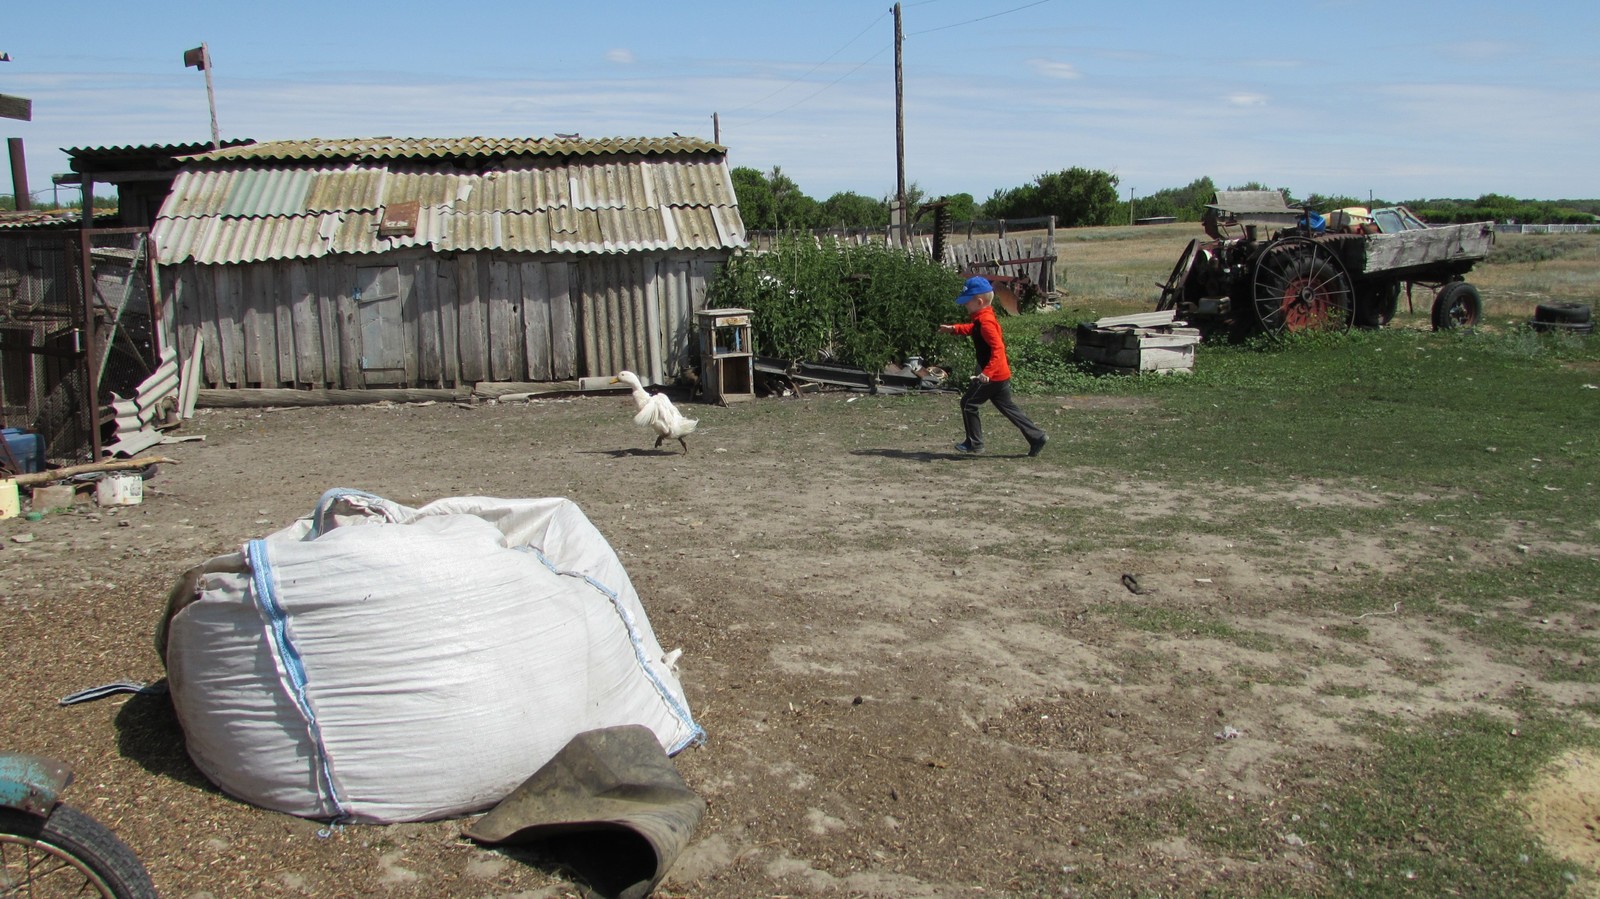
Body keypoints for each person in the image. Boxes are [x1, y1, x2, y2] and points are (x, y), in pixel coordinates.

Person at [936, 276, 1048, 457]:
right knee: (1007, 407)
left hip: (992, 375)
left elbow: (998, 349)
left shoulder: (986, 322)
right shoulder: (983, 318)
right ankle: (1037, 436)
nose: (965, 306)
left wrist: (986, 373)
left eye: (967, 302)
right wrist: (954, 329)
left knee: (968, 403)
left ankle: (975, 443)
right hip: (1000, 374)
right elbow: (973, 329)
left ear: (979, 301)